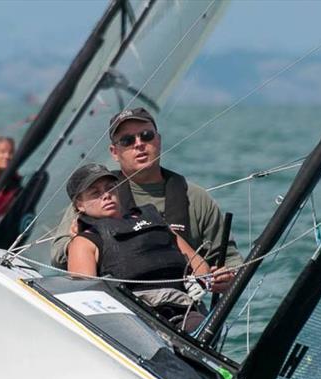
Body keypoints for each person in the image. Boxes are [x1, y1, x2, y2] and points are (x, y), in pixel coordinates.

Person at [52, 107, 242, 289]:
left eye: (146, 136)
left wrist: (227, 277)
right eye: (127, 140)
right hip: (117, 305)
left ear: (158, 140)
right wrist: (82, 241)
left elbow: (230, 260)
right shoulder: (95, 198)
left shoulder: (196, 198)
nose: (139, 144)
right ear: (114, 152)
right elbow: (58, 256)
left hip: (180, 303)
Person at [65, 163, 229, 333]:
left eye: (111, 188)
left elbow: (200, 266)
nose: (106, 195)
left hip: (181, 309)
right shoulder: (84, 242)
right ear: (80, 205)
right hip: (134, 321)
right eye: (95, 193)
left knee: (203, 328)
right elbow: (86, 300)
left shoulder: (154, 220)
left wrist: (206, 281)